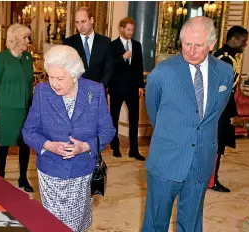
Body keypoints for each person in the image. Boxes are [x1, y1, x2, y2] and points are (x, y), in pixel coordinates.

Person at [142, 16, 233, 231]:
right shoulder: (162, 72)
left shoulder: (225, 72)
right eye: (187, 44)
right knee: (156, 222)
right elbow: (153, 110)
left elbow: (215, 113)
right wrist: (172, 133)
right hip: (166, 158)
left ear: (212, 44)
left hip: (202, 158)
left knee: (191, 223)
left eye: (198, 45)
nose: (191, 51)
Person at [22, 45, 115, 231]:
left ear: (74, 76)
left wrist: (86, 147)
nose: (54, 83)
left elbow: (108, 130)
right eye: (50, 77)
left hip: (83, 170)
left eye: (60, 78)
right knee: (55, 224)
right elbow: (29, 130)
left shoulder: (94, 91)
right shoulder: (42, 91)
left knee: (77, 224)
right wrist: (48, 145)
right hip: (51, 171)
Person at [0, 23, 34, 193]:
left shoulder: (28, 58)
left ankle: (23, 178)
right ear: (14, 39)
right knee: (4, 143)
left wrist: (32, 107)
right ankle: (0, 175)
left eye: (28, 37)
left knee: (25, 144)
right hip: (6, 107)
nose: (27, 41)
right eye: (25, 37)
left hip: (25, 108)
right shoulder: (1, 58)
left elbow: (30, 84)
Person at [209, 26, 249, 193]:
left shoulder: (228, 56)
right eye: (243, 41)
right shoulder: (224, 59)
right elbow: (222, 90)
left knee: (218, 145)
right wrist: (230, 114)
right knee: (216, 145)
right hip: (219, 109)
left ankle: (211, 178)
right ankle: (211, 181)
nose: (245, 44)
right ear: (233, 39)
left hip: (222, 107)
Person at [109, 17, 145, 160]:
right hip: (117, 88)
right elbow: (110, 65)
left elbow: (139, 66)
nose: (131, 32)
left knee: (134, 120)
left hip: (133, 89)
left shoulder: (137, 45)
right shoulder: (112, 46)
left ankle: (134, 150)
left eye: (132, 30)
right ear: (122, 28)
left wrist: (141, 85)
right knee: (114, 119)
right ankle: (115, 147)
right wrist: (122, 57)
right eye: (128, 29)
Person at [63, 6, 113, 89]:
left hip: (98, 91)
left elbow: (109, 70)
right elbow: (66, 69)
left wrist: (99, 88)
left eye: (83, 21)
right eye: (77, 22)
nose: (80, 26)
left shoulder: (105, 42)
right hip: (75, 92)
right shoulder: (69, 42)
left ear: (91, 20)